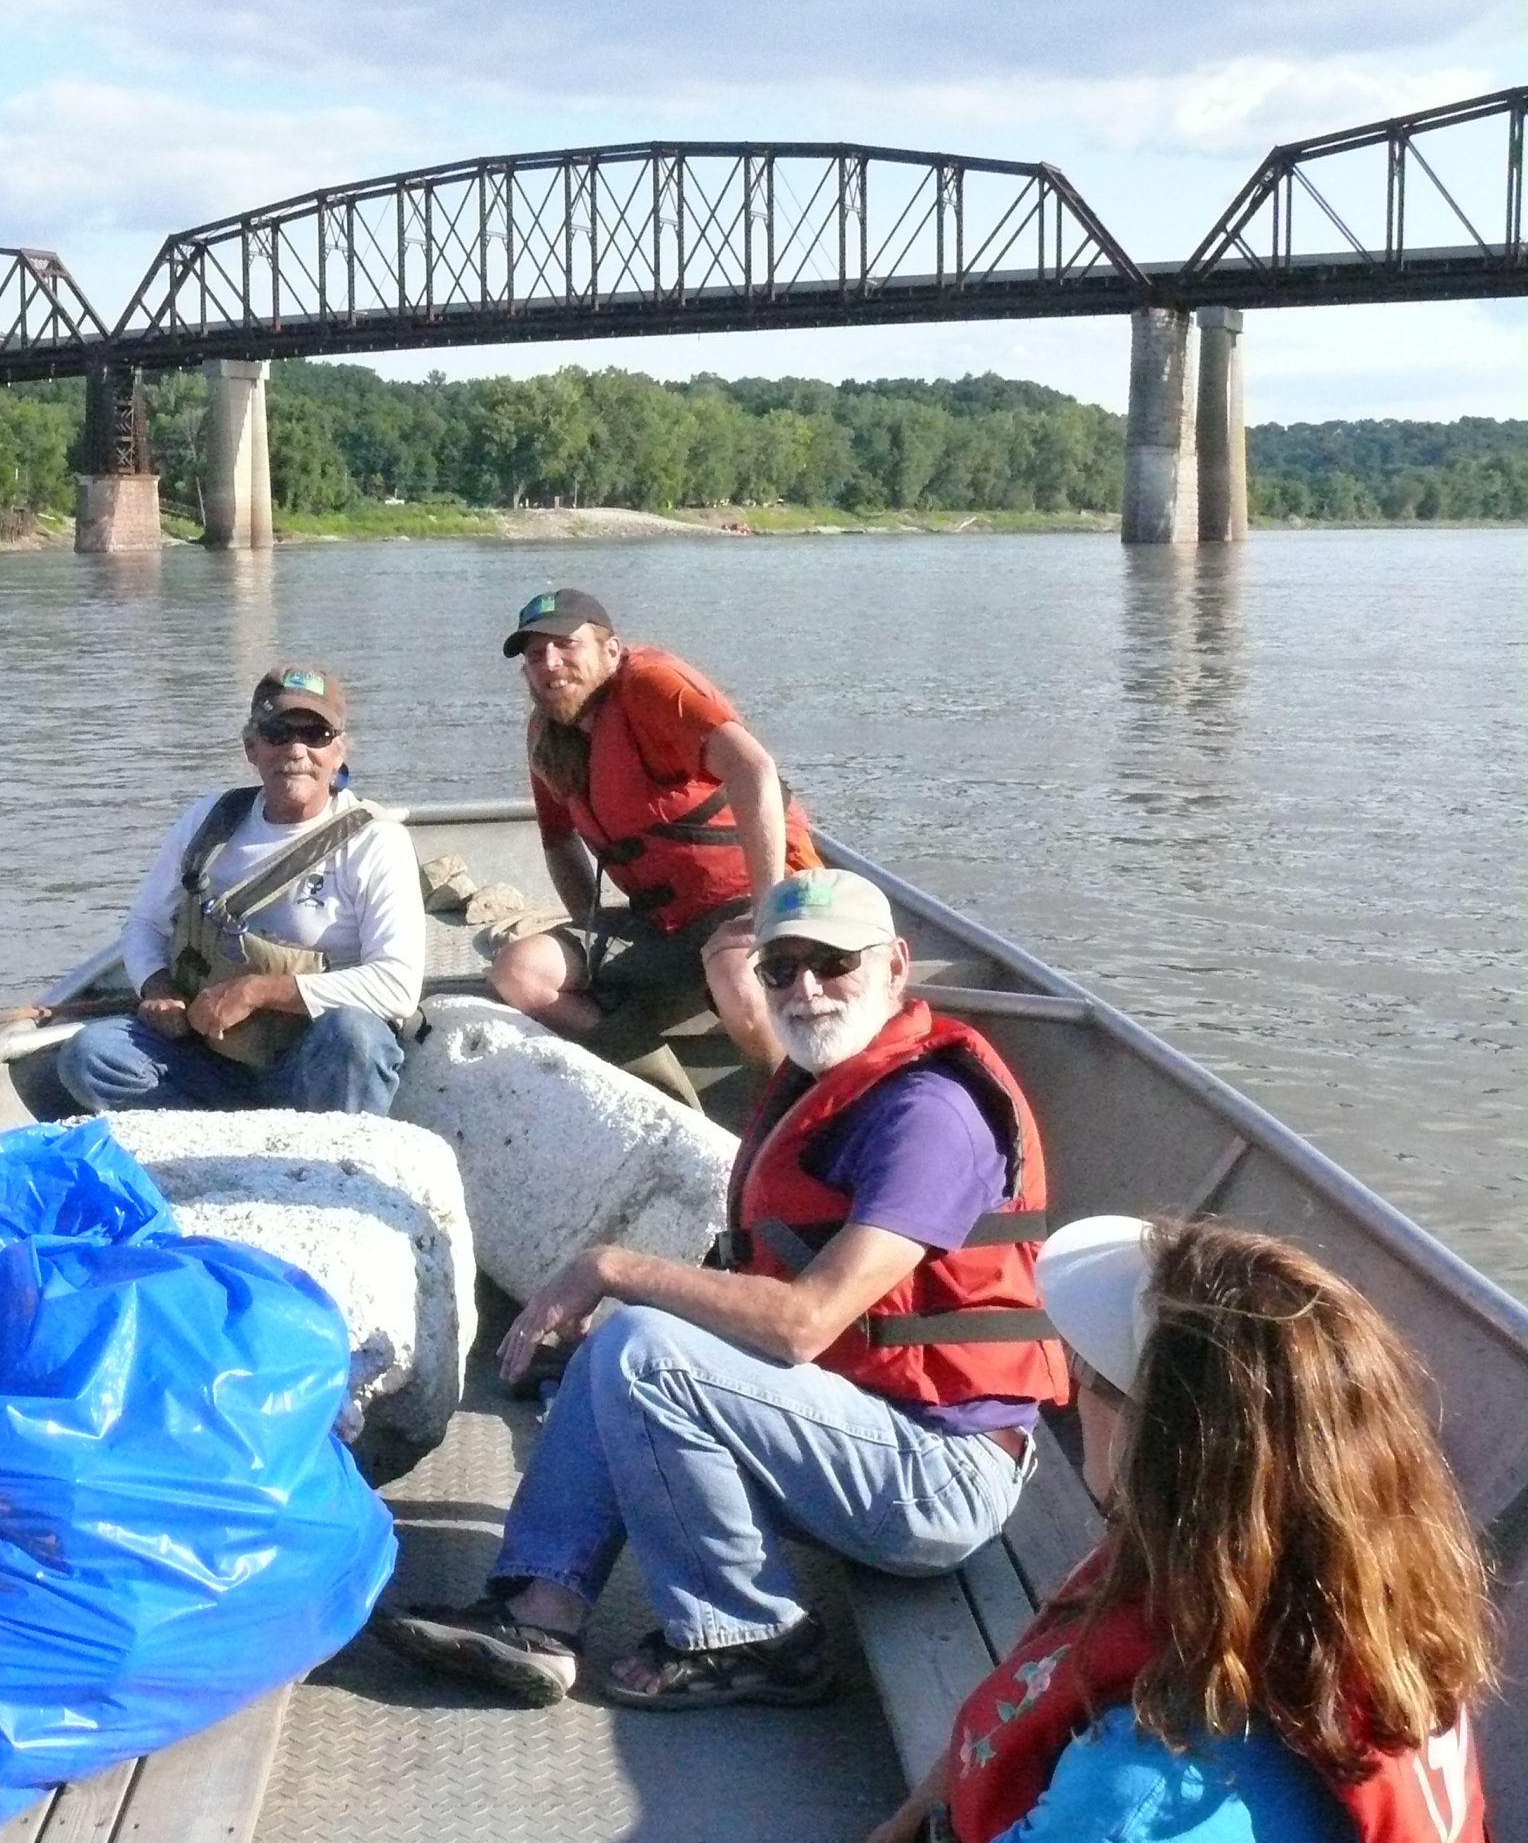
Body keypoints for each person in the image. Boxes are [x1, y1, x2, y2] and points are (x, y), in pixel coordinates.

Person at [376, 866, 1066, 1709]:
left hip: (940, 1474)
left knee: (646, 1348)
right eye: (780, 969)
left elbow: (806, 1323)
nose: (806, 990)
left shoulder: (928, 1115)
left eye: (833, 963)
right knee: (617, 1354)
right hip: (863, 1430)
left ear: (894, 966)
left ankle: (758, 1634)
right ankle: (538, 1612)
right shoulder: (828, 1080)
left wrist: (611, 1266)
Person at [837, 1216, 1499, 1843]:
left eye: (1087, 1372)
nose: (1068, 1393)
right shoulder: (1350, 1613)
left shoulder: (1136, 1827)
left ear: (1153, 1446)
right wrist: (907, 1829)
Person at [53, 665, 425, 1118]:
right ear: (251, 747)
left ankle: (331, 1162)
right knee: (91, 1055)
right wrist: (159, 986)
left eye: (316, 733)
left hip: (314, 1063)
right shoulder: (208, 820)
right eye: (277, 732)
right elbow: (145, 926)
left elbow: (398, 987)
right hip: (210, 1058)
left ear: (339, 750)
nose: (296, 749)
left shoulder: (376, 841)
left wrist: (257, 991)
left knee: (357, 1040)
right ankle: (210, 1149)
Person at [489, 587, 822, 1079]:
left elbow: (754, 769)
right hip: (661, 923)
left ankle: (792, 1115)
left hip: (749, 898)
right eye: (536, 655)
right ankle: (668, 1099)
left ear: (611, 649)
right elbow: (559, 842)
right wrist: (592, 926)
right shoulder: (547, 736)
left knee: (742, 988)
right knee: (517, 972)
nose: (550, 663)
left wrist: (768, 911)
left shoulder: (652, 687)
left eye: (566, 645)